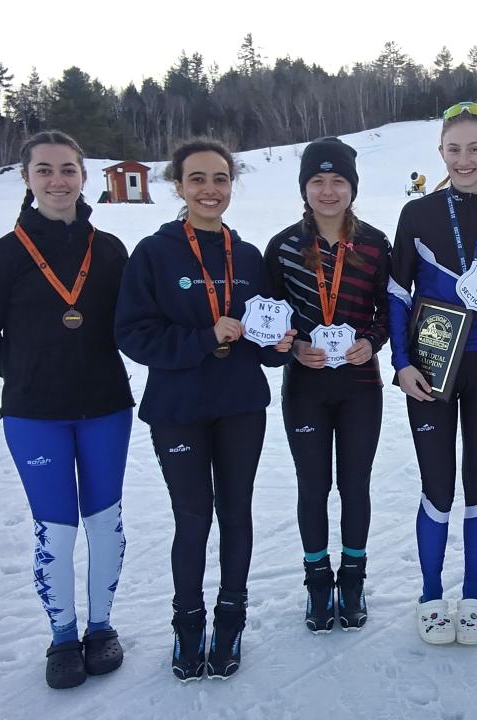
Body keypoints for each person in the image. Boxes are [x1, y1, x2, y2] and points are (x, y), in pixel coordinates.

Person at [115, 138, 295, 681]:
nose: (210, 190)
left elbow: (262, 333)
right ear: (179, 186)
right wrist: (202, 337)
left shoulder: (248, 256)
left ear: (230, 186)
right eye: (198, 179)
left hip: (240, 405)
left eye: (220, 179)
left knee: (236, 513)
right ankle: (188, 623)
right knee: (193, 518)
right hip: (179, 408)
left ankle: (231, 617)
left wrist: (276, 347)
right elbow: (134, 334)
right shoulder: (155, 251)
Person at [0, 130, 133, 689]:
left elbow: (131, 325)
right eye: (45, 170)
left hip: (107, 408)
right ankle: (63, 636)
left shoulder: (108, 251)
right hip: (35, 417)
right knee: (56, 530)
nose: (57, 181)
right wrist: (34, 378)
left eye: (68, 170)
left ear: (84, 177)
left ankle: (101, 628)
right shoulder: (4, 255)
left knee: (105, 524)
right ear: (27, 178)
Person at [388, 101, 477, 645]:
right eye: (455, 149)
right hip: (430, 361)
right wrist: (401, 363)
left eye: (476, 148)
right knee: (436, 485)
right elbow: (397, 294)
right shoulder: (417, 215)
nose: (465, 159)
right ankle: (431, 595)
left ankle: (472, 593)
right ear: (441, 153)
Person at [265, 137, 391, 633]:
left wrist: (371, 342)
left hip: (360, 384)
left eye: (338, 180)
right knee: (313, 486)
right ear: (304, 188)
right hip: (306, 387)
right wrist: (294, 347)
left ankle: (353, 579)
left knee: (355, 483)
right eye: (317, 181)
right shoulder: (283, 247)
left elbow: (388, 313)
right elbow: (272, 320)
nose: (328, 190)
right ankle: (318, 582)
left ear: (352, 187)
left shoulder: (376, 245)